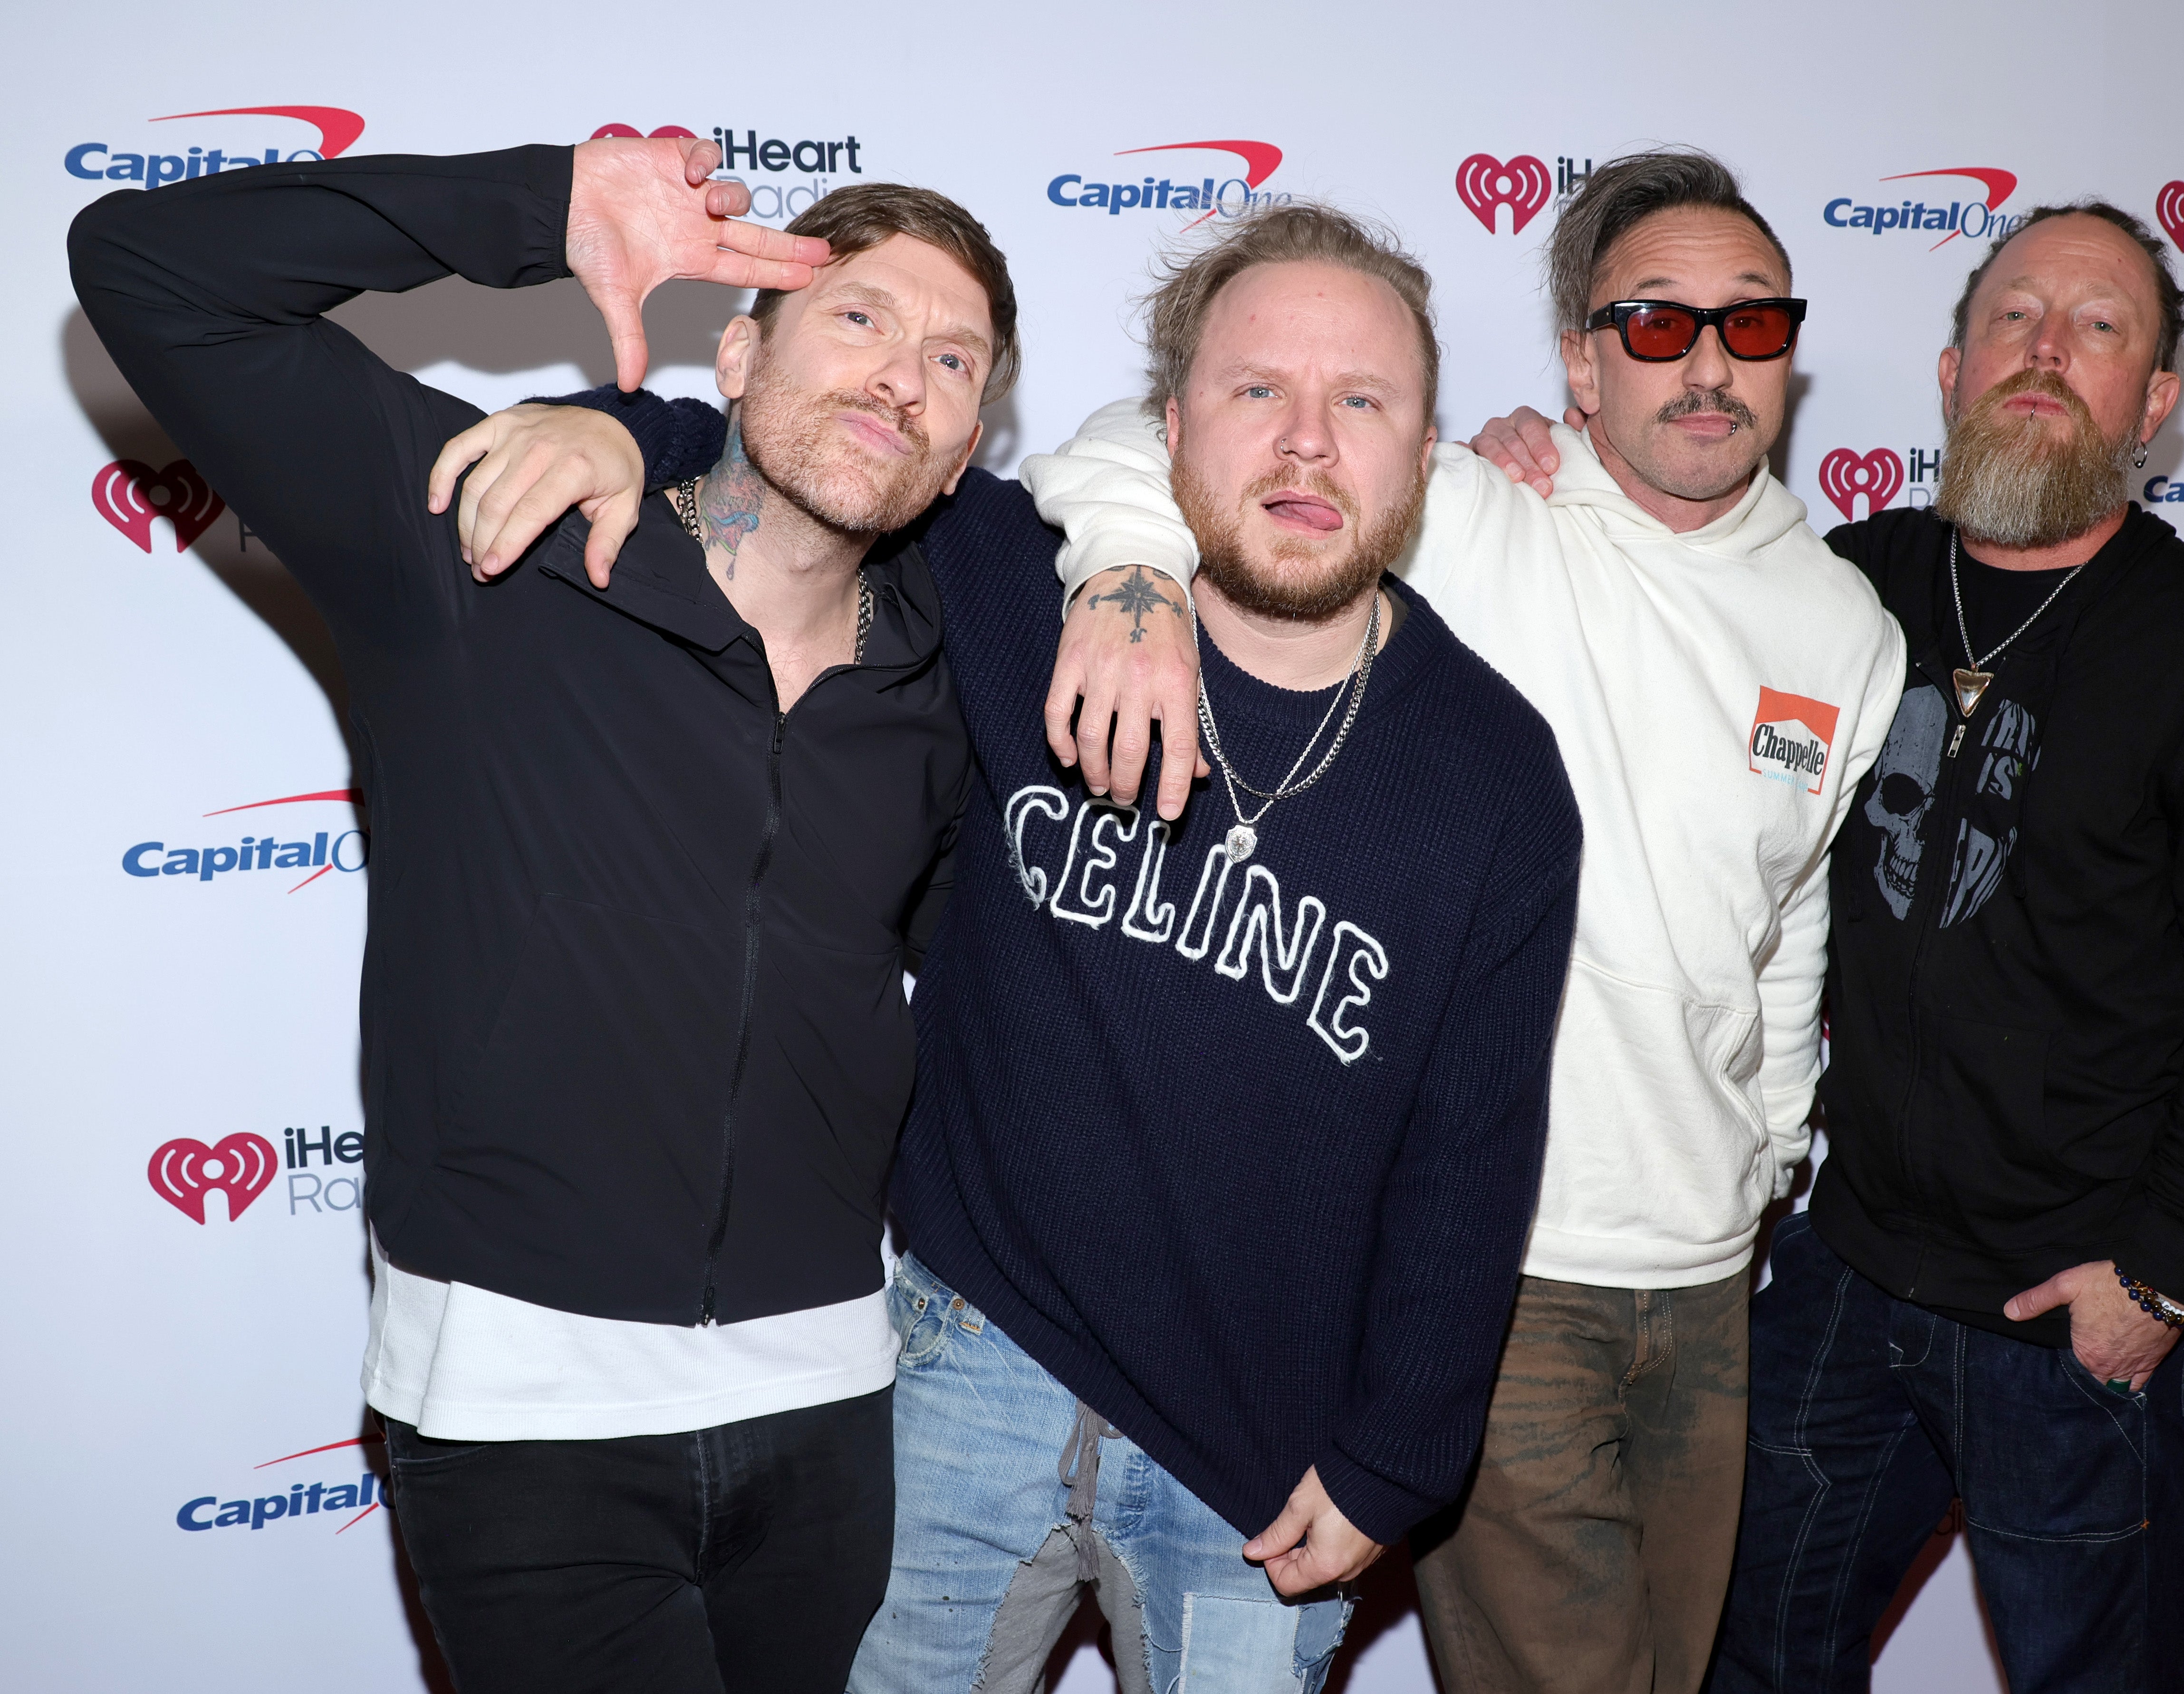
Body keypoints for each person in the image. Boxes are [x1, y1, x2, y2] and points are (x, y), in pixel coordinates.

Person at [439, 202, 1581, 1693]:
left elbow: (1472, 1153)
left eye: (1359, 402)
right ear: (1163, 429)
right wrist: (621, 435)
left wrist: (1401, 1456)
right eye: (1257, 392)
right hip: (968, 1360)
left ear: (1423, 451)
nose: (1306, 444)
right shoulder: (1005, 583)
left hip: (1266, 1447)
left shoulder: (1495, 777)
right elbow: (815, 447)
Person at [70, 138, 989, 1692]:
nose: (904, 373)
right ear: (740, 346)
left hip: (834, 1406)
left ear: (966, 450)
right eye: (861, 316)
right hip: (523, 1417)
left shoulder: (951, 686)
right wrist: (541, 207)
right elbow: (149, 275)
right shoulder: (494, 535)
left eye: (954, 358)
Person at [1022, 150, 1906, 1694]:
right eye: (1653, 325)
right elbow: (1134, 444)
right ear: (1578, 359)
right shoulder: (1475, 515)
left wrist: (1763, 1162)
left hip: (1710, 1282)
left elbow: (1790, 931)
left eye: (1749, 326)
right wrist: (1129, 580)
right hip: (1509, 1273)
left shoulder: (1846, 623)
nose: (1706, 364)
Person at [1475, 203, 2184, 1694]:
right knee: (1745, 1657)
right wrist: (1523, 475)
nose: (2044, 352)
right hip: (1842, 1269)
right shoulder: (1846, 588)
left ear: (2154, 401)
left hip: (2070, 1312)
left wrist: (2159, 1271)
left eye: (2096, 327)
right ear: (1949, 370)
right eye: (2011, 319)